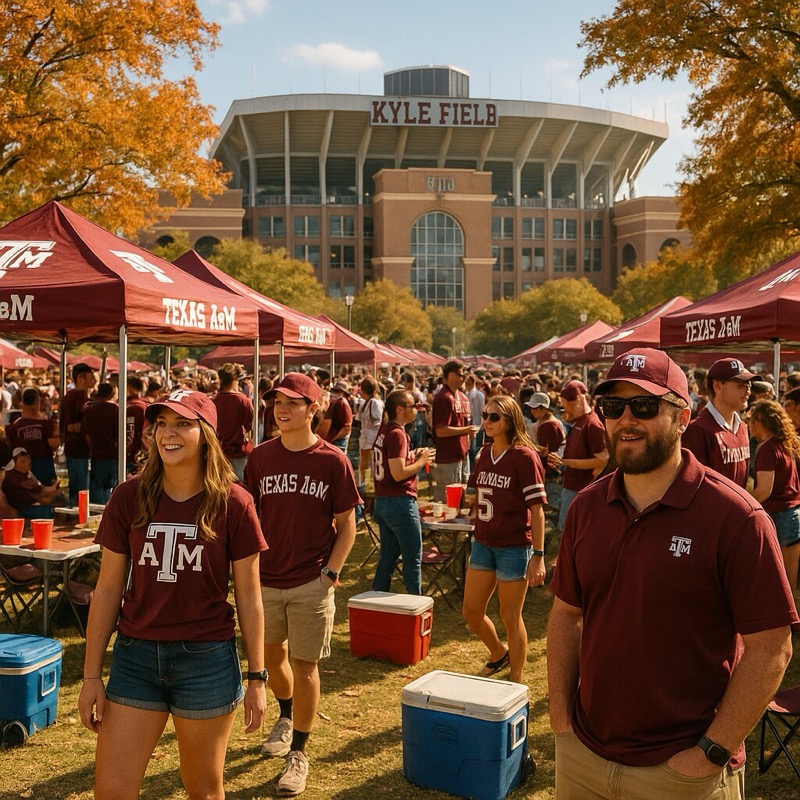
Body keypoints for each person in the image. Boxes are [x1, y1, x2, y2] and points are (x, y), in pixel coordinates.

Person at [547, 348, 797, 800]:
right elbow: (566, 614)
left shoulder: (736, 517)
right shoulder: (586, 507)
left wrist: (710, 753)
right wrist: (561, 721)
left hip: (683, 771)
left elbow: (772, 648)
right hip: (584, 757)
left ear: (682, 417)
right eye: (613, 407)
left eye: (644, 406)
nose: (626, 420)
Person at [78, 389, 267, 800]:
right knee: (111, 791)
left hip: (207, 661)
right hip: (136, 658)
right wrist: (91, 675)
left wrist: (257, 677)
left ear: (207, 434)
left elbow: (250, 597)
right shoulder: (128, 496)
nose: (168, 433)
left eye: (183, 423)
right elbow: (108, 588)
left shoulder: (235, 502)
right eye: (161, 423)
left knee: (202, 789)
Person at [244, 372, 360, 796]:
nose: (283, 409)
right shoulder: (260, 457)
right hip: (265, 581)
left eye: (293, 402)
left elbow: (348, 524)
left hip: (312, 579)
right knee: (272, 658)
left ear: (314, 409)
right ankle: (286, 714)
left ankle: (299, 752)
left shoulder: (333, 460)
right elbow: (247, 513)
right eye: (278, 402)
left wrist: (330, 573)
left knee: (306, 666)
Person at [462, 395, 547, 684]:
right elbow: (474, 494)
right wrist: (468, 505)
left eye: (494, 417)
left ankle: (516, 680)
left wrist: (538, 555)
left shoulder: (524, 456)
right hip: (484, 542)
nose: (486, 420)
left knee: (510, 616)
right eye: (485, 415)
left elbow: (537, 511)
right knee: (471, 612)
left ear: (510, 420)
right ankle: (499, 653)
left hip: (514, 546)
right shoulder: (483, 453)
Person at [371, 390, 435, 595]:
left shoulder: (385, 430)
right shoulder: (397, 433)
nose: (416, 410)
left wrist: (412, 456)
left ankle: (376, 602)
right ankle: (415, 604)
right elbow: (398, 474)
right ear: (400, 409)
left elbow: (393, 464)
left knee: (387, 559)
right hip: (398, 502)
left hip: (383, 501)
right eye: (413, 406)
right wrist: (421, 461)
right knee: (412, 558)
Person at [749, 399, 800, 606]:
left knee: (776, 578)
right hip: (794, 514)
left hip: (779, 516)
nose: (749, 424)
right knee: (789, 578)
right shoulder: (786, 442)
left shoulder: (768, 449)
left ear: (763, 421)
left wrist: (742, 504)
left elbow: (764, 490)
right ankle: (792, 620)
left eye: (752, 420)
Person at [546, 380, 607, 531]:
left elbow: (603, 460)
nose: (566, 408)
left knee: (570, 531)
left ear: (580, 399)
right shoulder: (579, 421)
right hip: (572, 486)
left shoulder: (592, 424)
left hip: (581, 488)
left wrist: (567, 462)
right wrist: (563, 462)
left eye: (568, 404)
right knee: (567, 531)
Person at [682, 357, 753, 487]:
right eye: (740, 385)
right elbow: (693, 484)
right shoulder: (697, 430)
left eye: (749, 384)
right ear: (717, 386)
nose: (747, 390)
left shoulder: (742, 427)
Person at [432, 360, 478, 503]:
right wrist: (466, 430)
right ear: (449, 375)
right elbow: (440, 431)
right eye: (459, 374)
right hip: (447, 457)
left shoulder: (463, 397)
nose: (462, 378)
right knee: (448, 500)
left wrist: (469, 432)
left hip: (462, 454)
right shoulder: (444, 397)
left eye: (463, 375)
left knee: (461, 498)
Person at [6, 386, 59, 485]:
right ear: (36, 402)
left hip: (22, 467)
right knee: (47, 494)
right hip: (44, 465)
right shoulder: (45, 423)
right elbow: (54, 443)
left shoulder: (15, 425)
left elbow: (10, 444)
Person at [59, 363, 97, 506]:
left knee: (78, 484)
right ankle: (79, 514)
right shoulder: (76, 397)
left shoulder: (73, 397)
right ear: (81, 378)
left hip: (77, 448)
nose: (93, 380)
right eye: (90, 377)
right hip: (77, 448)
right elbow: (71, 427)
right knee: (81, 486)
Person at [212, 363, 254, 481]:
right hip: (237, 451)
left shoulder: (213, 401)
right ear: (236, 380)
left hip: (217, 452)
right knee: (238, 486)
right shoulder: (243, 401)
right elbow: (250, 425)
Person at [526, 391, 565, 516]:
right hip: (553, 469)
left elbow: (547, 452)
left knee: (552, 507)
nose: (532, 411)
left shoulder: (548, 426)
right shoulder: (549, 422)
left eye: (535, 408)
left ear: (543, 408)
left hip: (551, 470)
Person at [83, 382, 119, 504]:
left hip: (97, 454)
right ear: (112, 393)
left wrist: (93, 448)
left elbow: (87, 436)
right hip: (112, 454)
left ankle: (98, 514)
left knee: (98, 487)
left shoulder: (90, 410)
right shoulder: (116, 410)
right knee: (111, 487)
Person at [1, 446, 60, 521]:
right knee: (46, 511)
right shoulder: (13, 477)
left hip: (32, 505)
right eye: (23, 461)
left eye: (28, 459)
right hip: (20, 511)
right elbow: (40, 493)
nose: (28, 462)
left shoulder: (28, 474)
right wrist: (54, 488)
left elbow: (40, 488)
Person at [356, 376, 384, 489]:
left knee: (373, 462)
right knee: (364, 463)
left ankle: (371, 485)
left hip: (372, 437)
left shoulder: (374, 403)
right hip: (366, 436)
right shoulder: (366, 403)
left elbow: (378, 421)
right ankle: (363, 484)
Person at [125, 375, 149, 475]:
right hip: (143, 455)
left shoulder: (130, 407)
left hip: (130, 455)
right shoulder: (147, 406)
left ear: (128, 388)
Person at [323, 382, 353, 453]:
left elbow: (347, 428)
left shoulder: (342, 403)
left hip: (338, 443)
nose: (333, 393)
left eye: (337, 391)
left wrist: (332, 439)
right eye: (333, 391)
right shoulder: (336, 403)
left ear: (343, 393)